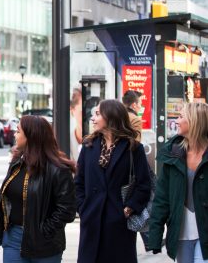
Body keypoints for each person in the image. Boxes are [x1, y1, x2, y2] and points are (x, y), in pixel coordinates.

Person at [0, 115, 77, 263]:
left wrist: (44, 231)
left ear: (31, 136)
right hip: (13, 238)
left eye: (18, 131)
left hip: (45, 244)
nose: (14, 134)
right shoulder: (17, 163)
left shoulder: (58, 169)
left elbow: (67, 210)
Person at [75, 99, 152, 263]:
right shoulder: (88, 146)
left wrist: (129, 208)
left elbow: (144, 185)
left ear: (111, 116)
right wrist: (83, 207)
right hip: (92, 219)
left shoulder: (133, 148)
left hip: (119, 223)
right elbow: (78, 183)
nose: (93, 119)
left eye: (97, 114)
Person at [148, 102, 208, 262]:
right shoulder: (173, 153)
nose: (176, 121)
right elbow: (162, 198)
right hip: (181, 232)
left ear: (194, 121)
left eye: (181, 116)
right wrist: (155, 236)